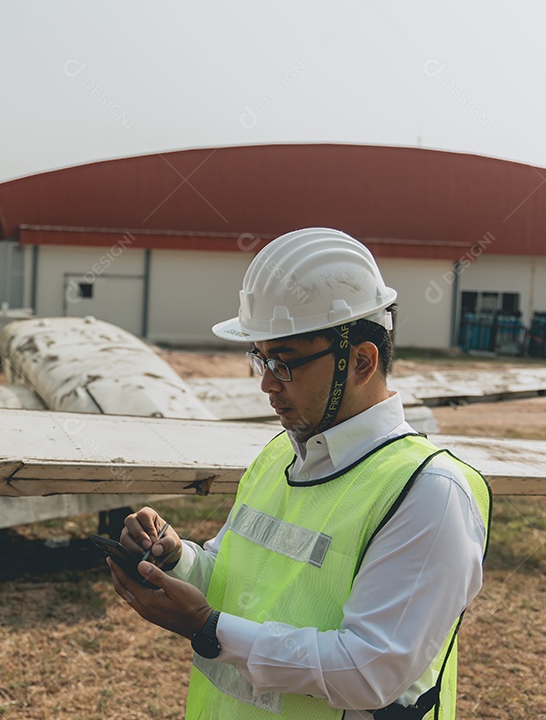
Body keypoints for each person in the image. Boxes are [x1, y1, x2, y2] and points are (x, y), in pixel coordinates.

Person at [107, 228, 491, 720]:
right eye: (261, 358)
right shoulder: (278, 457)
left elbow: (368, 672)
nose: (266, 383)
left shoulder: (429, 493)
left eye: (285, 363)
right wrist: (175, 558)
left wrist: (207, 628)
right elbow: (232, 578)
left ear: (361, 361)